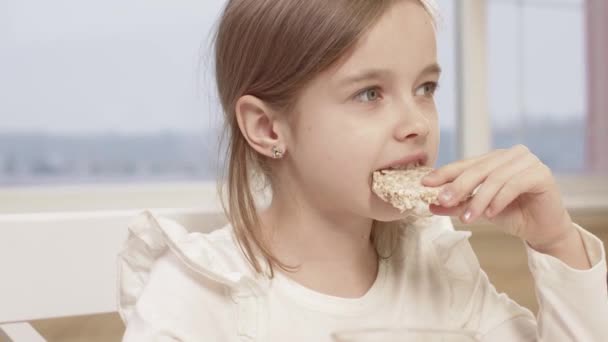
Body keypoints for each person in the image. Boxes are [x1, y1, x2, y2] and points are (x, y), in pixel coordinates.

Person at [117, 0, 608, 340]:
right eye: (369, 94)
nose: (417, 123)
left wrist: (557, 242)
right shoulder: (199, 291)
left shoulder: (437, 267)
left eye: (426, 88)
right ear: (268, 128)